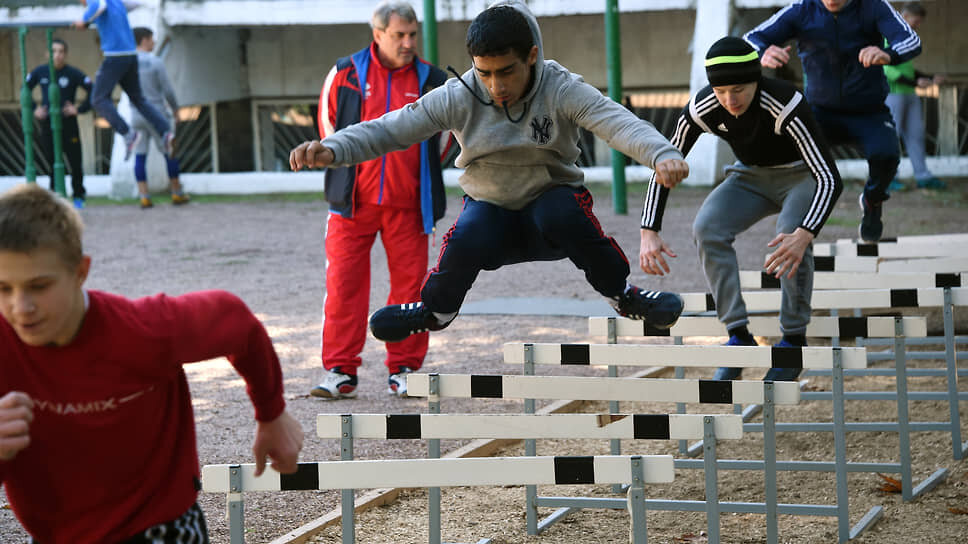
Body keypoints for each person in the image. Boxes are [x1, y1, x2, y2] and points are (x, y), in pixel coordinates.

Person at [290, 1, 690, 350]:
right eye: (484, 73)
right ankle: (436, 311)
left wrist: (661, 153)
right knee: (469, 230)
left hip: (550, 214)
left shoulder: (561, 88)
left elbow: (616, 122)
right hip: (492, 216)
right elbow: (392, 128)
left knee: (562, 211)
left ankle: (623, 296)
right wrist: (334, 148)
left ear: (531, 56)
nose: (496, 86)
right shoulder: (460, 94)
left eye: (506, 72)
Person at [0, 184, 303, 542]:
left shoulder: (143, 332)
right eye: (3, 288)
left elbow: (237, 322)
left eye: (39, 286)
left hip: (158, 526)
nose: (21, 307)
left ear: (81, 271)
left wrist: (271, 414)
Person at [640, 36, 843, 381]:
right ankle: (738, 335)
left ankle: (793, 341)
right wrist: (649, 230)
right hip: (749, 177)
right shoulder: (702, 107)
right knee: (707, 228)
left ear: (756, 81)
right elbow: (664, 163)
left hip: (801, 176)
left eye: (738, 90)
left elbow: (829, 176)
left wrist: (805, 234)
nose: (730, 100)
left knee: (789, 235)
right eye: (721, 91)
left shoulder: (785, 104)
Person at [308, 2, 451, 400]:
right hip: (352, 204)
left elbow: (444, 142)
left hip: (411, 206)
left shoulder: (433, 80)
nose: (408, 43)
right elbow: (328, 129)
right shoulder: (345, 73)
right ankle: (340, 370)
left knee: (411, 291)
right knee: (342, 287)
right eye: (399, 35)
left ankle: (404, 369)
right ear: (378, 34)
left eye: (412, 35)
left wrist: (414, 177)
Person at [744, 0, 921, 243]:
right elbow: (750, 39)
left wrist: (888, 54)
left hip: (868, 112)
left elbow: (911, 40)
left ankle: (872, 200)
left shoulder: (873, 6)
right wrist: (762, 51)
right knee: (792, 157)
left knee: (887, 156)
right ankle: (795, 220)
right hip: (819, 113)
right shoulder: (801, 10)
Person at [72, 0, 173, 160]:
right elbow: (133, 4)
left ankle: (127, 133)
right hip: (130, 55)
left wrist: (84, 20)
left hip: (115, 56)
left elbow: (99, 6)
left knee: (98, 99)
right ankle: (165, 131)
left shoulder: (97, 2)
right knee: (138, 99)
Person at [884, 2, 945, 191]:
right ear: (904, 17)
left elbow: (907, 70)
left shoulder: (905, 38)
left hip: (909, 94)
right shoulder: (888, 35)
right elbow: (886, 69)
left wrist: (928, 78)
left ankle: (923, 176)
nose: (917, 26)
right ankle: (887, 179)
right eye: (916, 21)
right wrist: (914, 83)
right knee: (890, 137)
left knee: (916, 134)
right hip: (893, 94)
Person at [25, 38, 92, 209]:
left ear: (66, 54)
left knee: (75, 161)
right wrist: (34, 109)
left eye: (61, 51)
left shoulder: (73, 73)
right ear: (47, 54)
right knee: (52, 161)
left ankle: (78, 196)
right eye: (54, 51)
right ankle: (55, 196)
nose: (57, 55)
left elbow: (94, 91)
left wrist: (79, 109)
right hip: (48, 123)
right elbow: (24, 90)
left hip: (68, 123)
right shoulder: (40, 72)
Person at [132, 27, 191, 209]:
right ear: (144, 40)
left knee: (140, 155)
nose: (154, 42)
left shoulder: (127, 63)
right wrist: (175, 109)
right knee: (169, 152)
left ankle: (144, 196)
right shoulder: (155, 62)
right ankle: (176, 192)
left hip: (136, 115)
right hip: (157, 114)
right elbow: (167, 90)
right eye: (152, 39)